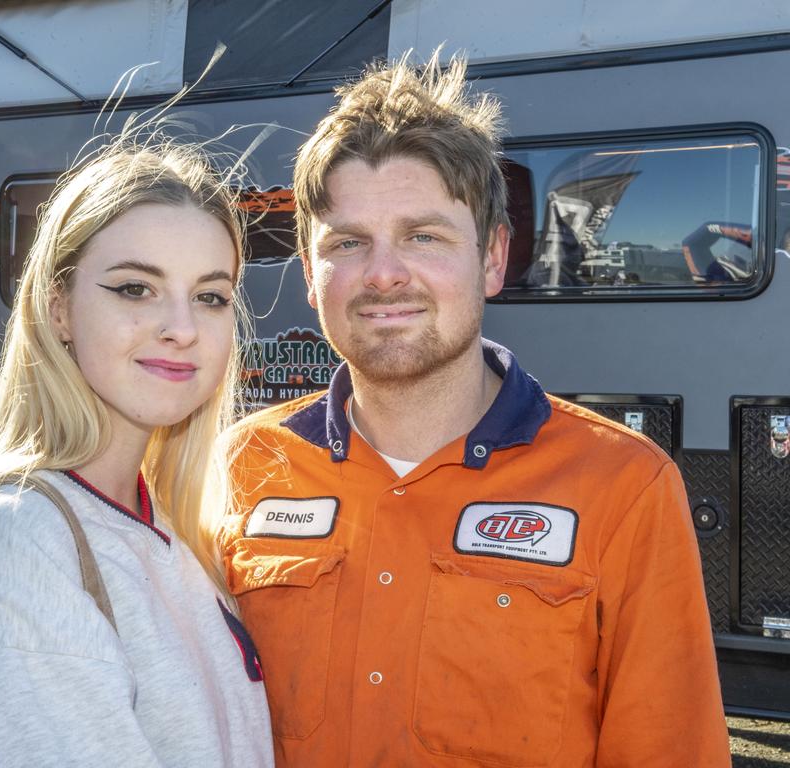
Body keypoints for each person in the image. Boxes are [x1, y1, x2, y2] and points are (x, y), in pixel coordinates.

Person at [220, 54, 731, 767]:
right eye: (348, 242)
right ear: (310, 272)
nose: (385, 273)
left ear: (492, 257)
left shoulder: (624, 487)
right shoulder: (236, 470)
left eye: (424, 236)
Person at [0, 135, 273, 766]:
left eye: (210, 296)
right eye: (134, 288)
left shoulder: (177, 533)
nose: (181, 327)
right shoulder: (18, 532)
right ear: (58, 307)